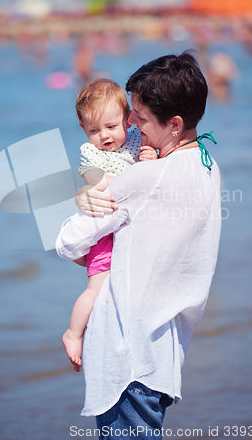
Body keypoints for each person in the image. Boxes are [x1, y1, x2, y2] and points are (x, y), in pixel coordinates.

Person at [57, 52, 222, 439]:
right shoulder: (208, 165)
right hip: (164, 351)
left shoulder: (144, 178)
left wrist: (85, 198)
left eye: (140, 117)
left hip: (125, 356)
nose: (131, 123)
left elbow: (67, 241)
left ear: (175, 124)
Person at [62, 78, 158, 372]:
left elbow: (150, 166)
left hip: (129, 229)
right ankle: (74, 333)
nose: (104, 135)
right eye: (94, 130)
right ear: (83, 130)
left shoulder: (136, 140)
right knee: (97, 288)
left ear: (128, 120)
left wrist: (150, 158)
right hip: (104, 233)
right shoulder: (90, 154)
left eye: (111, 126)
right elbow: (98, 182)